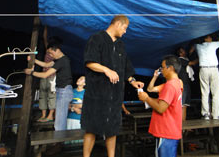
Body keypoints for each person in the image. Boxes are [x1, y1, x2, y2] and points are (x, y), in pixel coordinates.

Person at [81, 15, 144, 157]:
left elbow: (126, 66)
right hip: (96, 95)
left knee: (112, 129)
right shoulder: (96, 38)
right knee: (91, 128)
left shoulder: (121, 45)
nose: (125, 32)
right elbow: (90, 62)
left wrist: (132, 80)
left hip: (115, 96)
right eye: (125, 28)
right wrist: (106, 69)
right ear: (117, 24)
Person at [24, 39, 74, 154]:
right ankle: (57, 144)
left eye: (51, 53)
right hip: (62, 91)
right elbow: (46, 64)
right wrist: (34, 60)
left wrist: (31, 72)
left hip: (64, 91)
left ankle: (58, 145)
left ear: (57, 50)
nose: (50, 55)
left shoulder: (63, 61)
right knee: (59, 120)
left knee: (59, 122)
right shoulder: (60, 60)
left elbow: (46, 74)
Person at [138, 55, 182, 157]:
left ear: (170, 68)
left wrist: (146, 98)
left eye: (163, 67)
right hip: (171, 130)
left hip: (166, 131)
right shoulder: (177, 83)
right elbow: (163, 102)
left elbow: (161, 108)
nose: (161, 70)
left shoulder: (170, 85)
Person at [194, 34, 219, 120]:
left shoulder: (198, 46)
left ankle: (206, 114)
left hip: (203, 69)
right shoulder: (213, 44)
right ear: (205, 39)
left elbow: (192, 47)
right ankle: (215, 115)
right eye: (209, 37)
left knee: (205, 92)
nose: (211, 38)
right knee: (215, 92)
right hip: (213, 68)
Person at [36, 26, 57, 122]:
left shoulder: (57, 55)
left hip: (52, 77)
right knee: (42, 95)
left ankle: (50, 116)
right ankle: (43, 115)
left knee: (51, 96)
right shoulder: (48, 50)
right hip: (44, 76)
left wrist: (34, 60)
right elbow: (44, 38)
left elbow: (47, 64)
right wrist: (45, 27)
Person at [66, 76, 85, 144]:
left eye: (81, 79)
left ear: (84, 84)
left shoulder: (86, 93)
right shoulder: (71, 91)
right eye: (79, 78)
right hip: (69, 118)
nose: (78, 79)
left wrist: (72, 105)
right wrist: (74, 108)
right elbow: (65, 105)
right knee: (68, 139)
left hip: (79, 119)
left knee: (78, 140)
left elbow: (84, 105)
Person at [176, 47, 193, 121]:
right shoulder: (180, 60)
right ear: (180, 53)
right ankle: (179, 124)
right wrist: (201, 58)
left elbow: (190, 53)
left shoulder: (185, 59)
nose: (185, 52)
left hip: (186, 84)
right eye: (183, 51)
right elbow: (192, 63)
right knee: (181, 105)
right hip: (182, 84)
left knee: (185, 105)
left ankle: (184, 123)